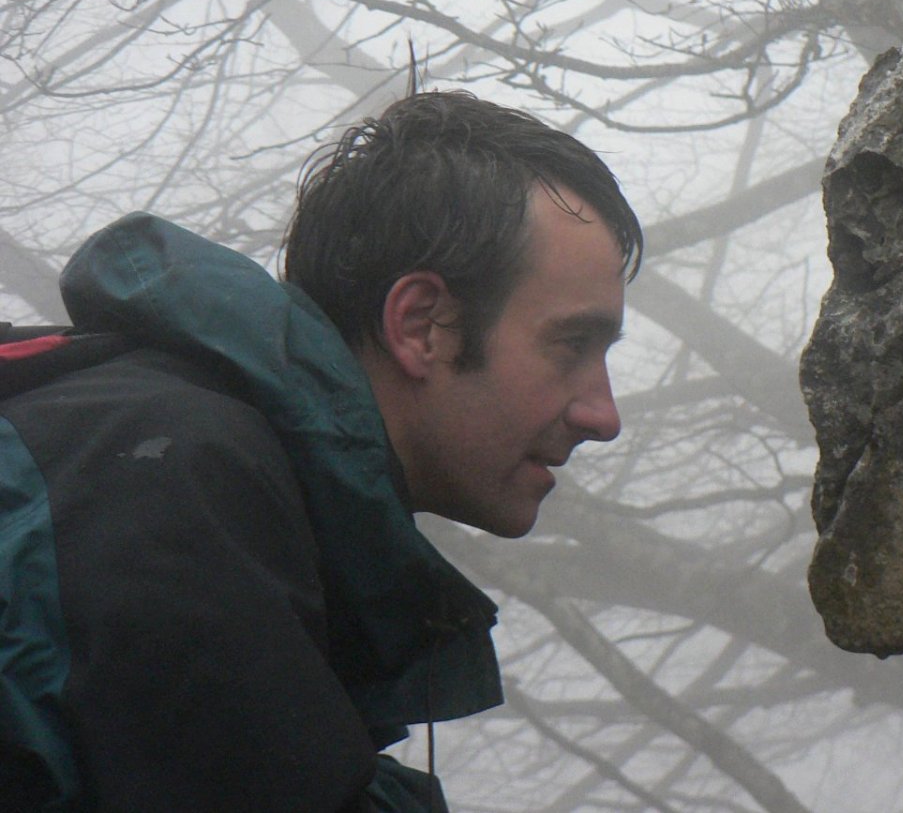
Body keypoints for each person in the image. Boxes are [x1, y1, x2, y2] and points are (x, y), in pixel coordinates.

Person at [0, 91, 643, 811]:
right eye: (572, 344)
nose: (603, 414)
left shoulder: (169, 451)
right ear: (422, 324)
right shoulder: (177, 484)